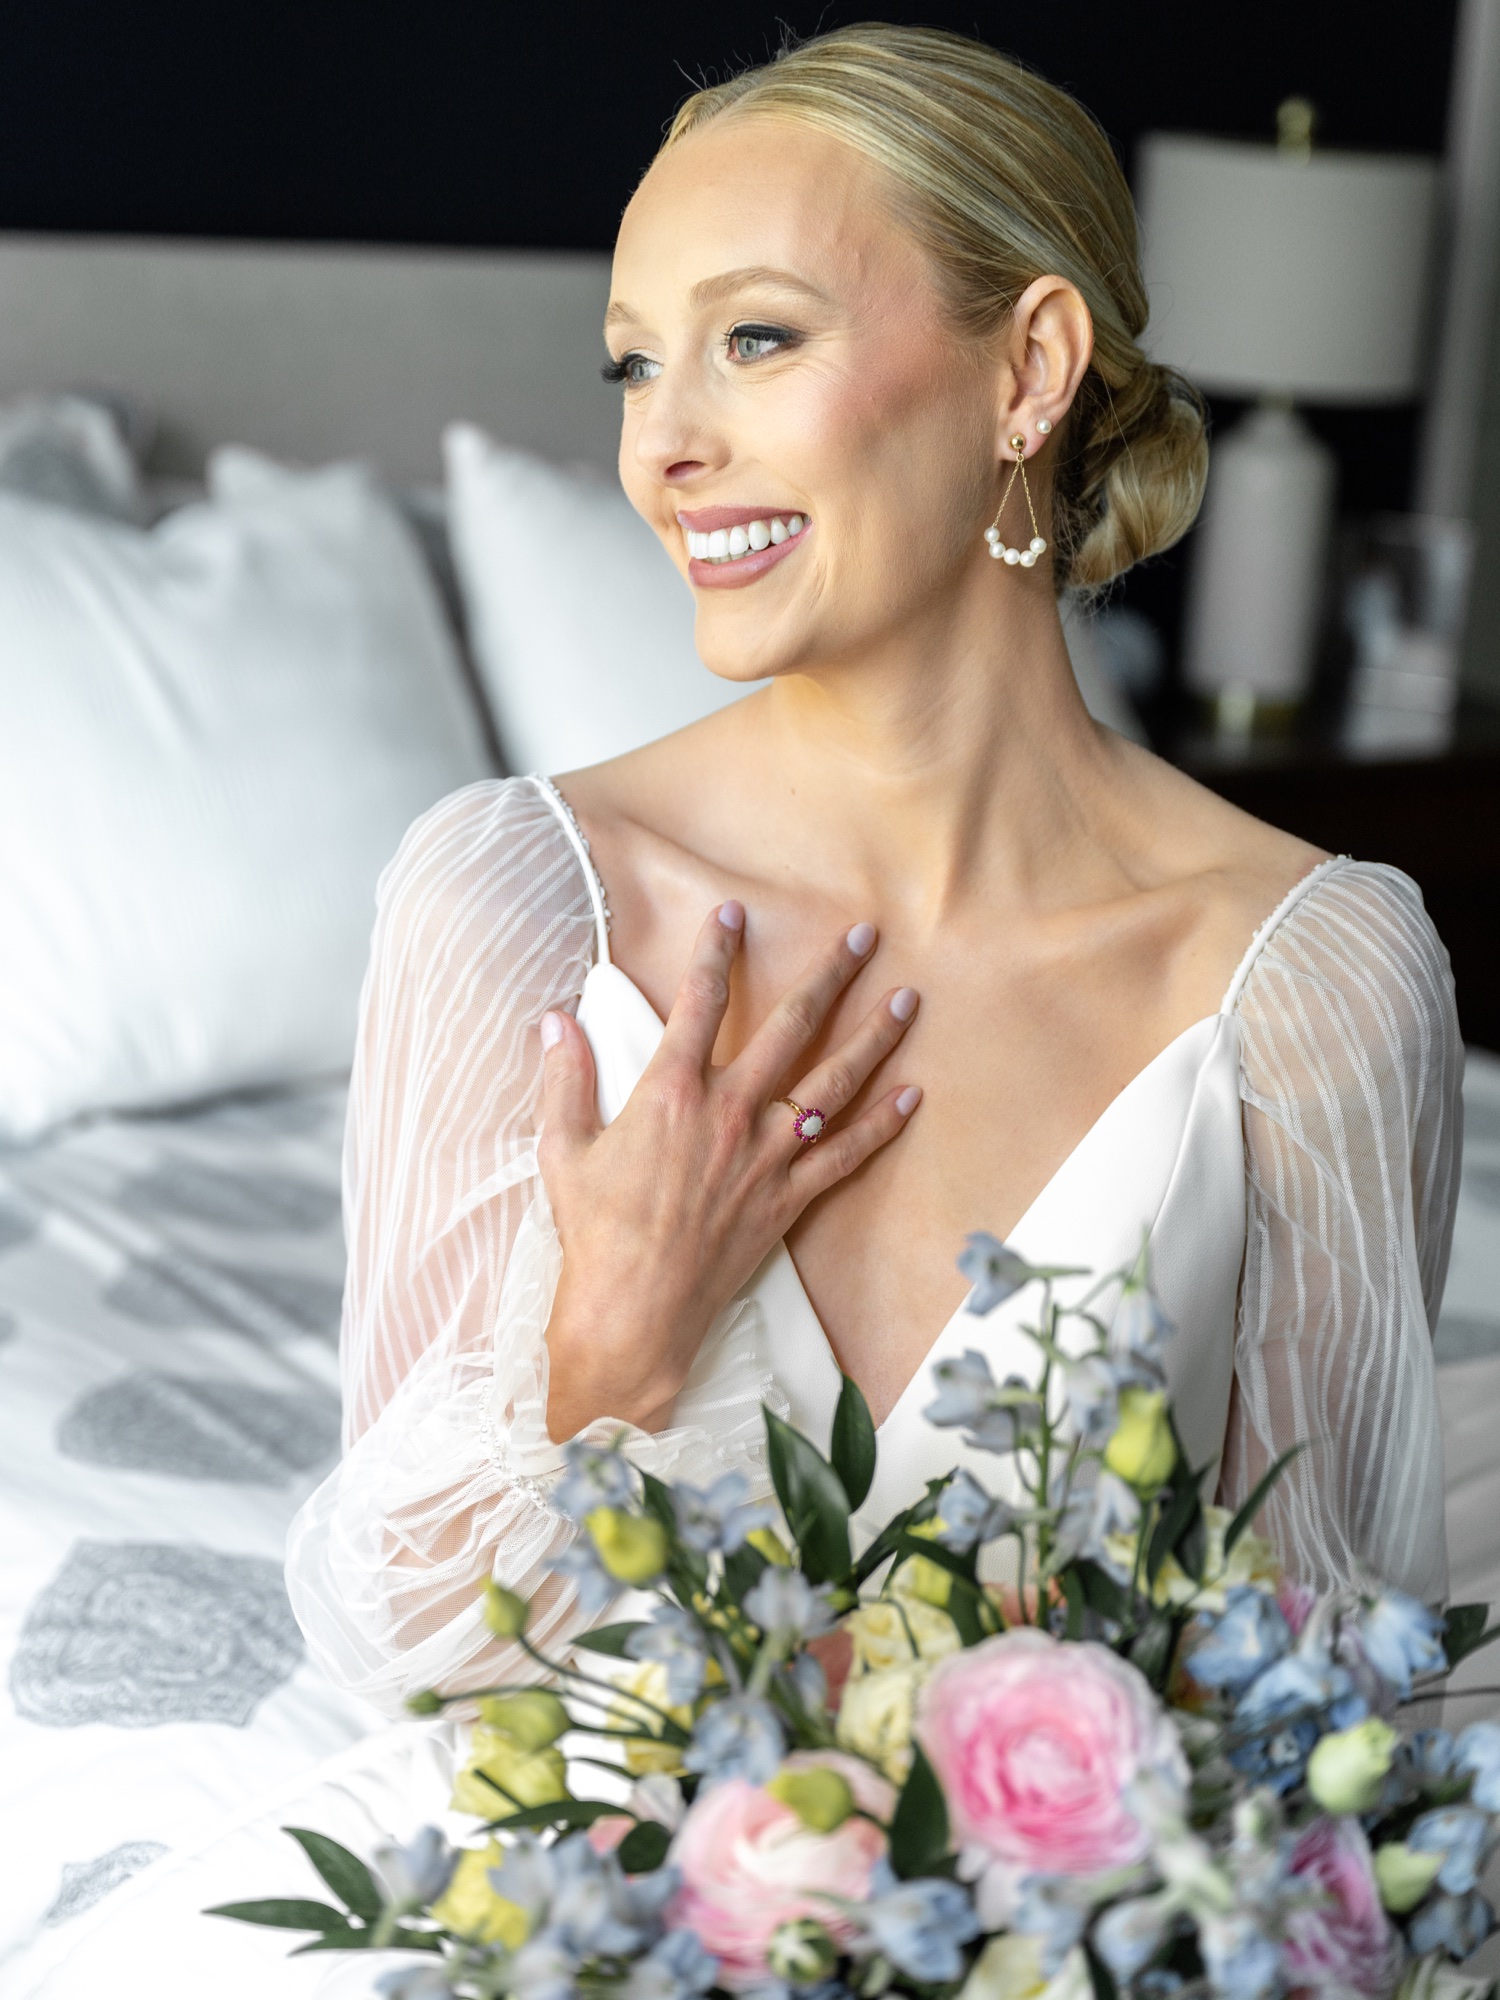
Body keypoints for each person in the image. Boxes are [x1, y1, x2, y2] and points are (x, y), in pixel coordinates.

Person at [287, 23, 1463, 1719]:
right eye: (632, 365)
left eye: (754, 338)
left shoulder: (1313, 977)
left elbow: (1320, 1690)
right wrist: (610, 1339)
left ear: (1029, 369)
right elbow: (404, 1649)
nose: (662, 446)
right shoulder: (519, 907)